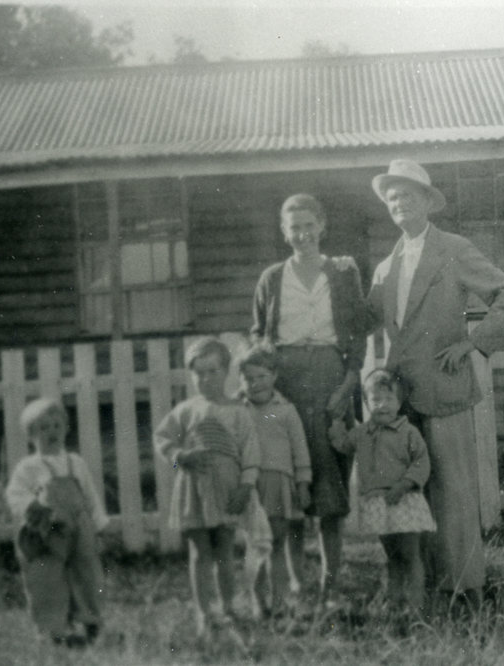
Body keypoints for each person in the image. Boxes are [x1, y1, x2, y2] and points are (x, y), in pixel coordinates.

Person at [365, 159, 504, 605]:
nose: (400, 202)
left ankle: (465, 588)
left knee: (452, 492)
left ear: (427, 202)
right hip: (400, 398)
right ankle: (421, 590)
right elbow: (368, 320)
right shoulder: (385, 267)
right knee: (407, 495)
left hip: (444, 385)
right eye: (393, 196)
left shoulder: (453, 248)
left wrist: (475, 343)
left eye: (408, 194)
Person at [251, 193, 370, 606]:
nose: (302, 234)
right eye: (294, 227)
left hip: (330, 380)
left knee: (330, 491)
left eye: (308, 225)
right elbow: (258, 334)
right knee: (289, 489)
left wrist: (348, 385)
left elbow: (356, 334)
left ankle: (330, 585)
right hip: (285, 385)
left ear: (322, 226)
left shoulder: (341, 273)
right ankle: (298, 586)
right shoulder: (271, 278)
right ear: (285, 233)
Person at [153, 336, 261, 635]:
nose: (206, 379)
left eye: (213, 371)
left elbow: (251, 453)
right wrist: (179, 457)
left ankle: (228, 607)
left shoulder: (239, 411)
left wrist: (246, 486)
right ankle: (204, 612)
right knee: (200, 552)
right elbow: (162, 440)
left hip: (227, 490)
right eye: (199, 373)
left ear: (226, 371)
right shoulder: (187, 409)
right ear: (191, 376)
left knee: (225, 549)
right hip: (194, 490)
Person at [328, 368, 435, 614]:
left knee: (410, 554)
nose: (383, 405)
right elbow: (344, 445)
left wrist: (404, 484)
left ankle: (417, 603)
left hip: (405, 499)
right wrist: (335, 427)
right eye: (376, 400)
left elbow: (422, 462)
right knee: (392, 555)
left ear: (399, 402)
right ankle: (394, 600)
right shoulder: (363, 432)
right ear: (366, 403)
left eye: (389, 399)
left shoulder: (408, 432)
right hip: (378, 502)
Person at [5, 397, 108, 647]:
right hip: (48, 531)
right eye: (43, 428)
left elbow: (90, 494)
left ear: (65, 428)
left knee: (87, 573)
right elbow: (14, 494)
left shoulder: (76, 463)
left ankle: (90, 621)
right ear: (31, 435)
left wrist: (99, 524)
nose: (52, 433)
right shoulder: (29, 467)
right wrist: (32, 505)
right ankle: (53, 629)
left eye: (56, 426)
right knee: (47, 577)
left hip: (80, 529)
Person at [237, 344, 313, 616]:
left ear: (274, 376)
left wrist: (303, 484)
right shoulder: (238, 410)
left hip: (279, 484)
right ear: (240, 380)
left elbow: (300, 450)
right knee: (256, 544)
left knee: (277, 543)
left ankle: (280, 601)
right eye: (248, 378)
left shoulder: (286, 410)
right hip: (251, 486)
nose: (255, 384)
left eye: (261, 377)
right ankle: (258, 601)